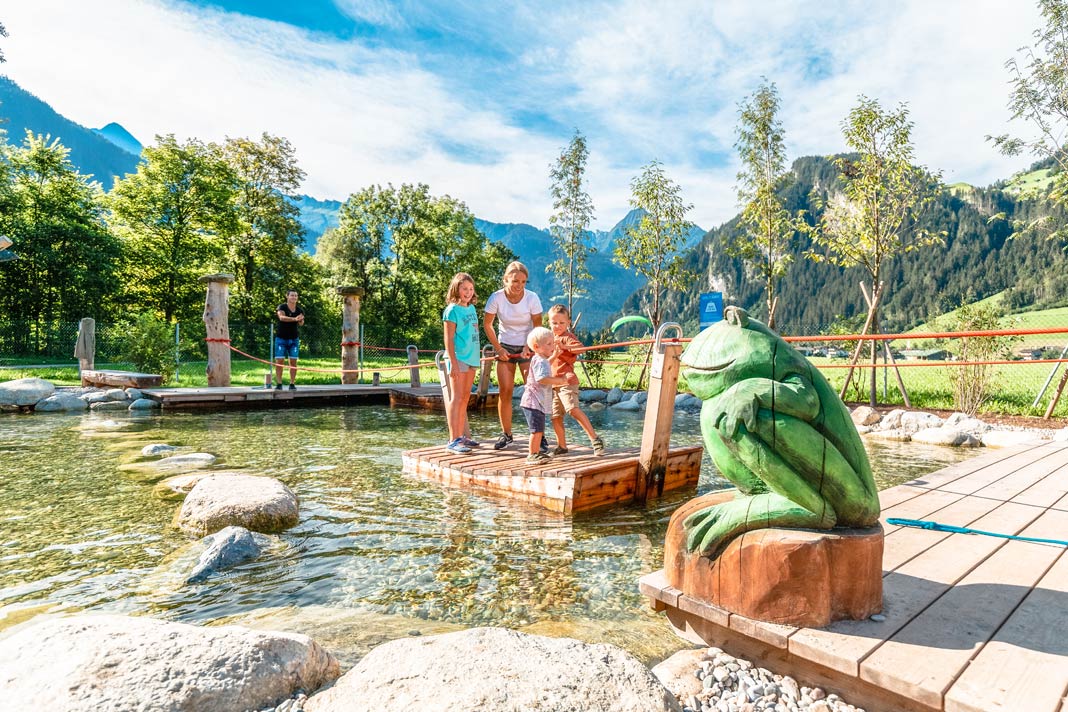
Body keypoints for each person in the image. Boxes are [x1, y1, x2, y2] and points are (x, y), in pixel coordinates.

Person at [483, 261, 543, 450]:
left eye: (524, 282)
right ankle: (507, 434)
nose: (519, 285)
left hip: (528, 345)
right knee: (505, 391)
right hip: (505, 346)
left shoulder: (532, 298)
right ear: (506, 279)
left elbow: (537, 326)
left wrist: (529, 345)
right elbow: (487, 325)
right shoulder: (496, 298)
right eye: (515, 280)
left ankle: (539, 435)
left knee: (532, 391)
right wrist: (498, 349)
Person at [547, 304, 605, 456]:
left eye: (561, 323)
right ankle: (562, 446)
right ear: (549, 323)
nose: (557, 326)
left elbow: (581, 349)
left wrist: (564, 346)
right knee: (555, 416)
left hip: (567, 381)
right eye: (554, 323)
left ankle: (595, 439)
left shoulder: (568, 337)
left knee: (572, 409)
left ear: (568, 323)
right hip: (553, 384)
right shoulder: (550, 338)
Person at [520, 327, 576, 464]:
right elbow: (542, 378)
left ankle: (536, 452)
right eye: (549, 344)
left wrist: (554, 356)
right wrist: (560, 380)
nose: (553, 345)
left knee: (539, 429)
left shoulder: (540, 358)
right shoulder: (539, 360)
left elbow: (545, 366)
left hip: (535, 401)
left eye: (553, 342)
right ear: (536, 347)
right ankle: (532, 454)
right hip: (534, 402)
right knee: (536, 430)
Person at [442, 272, 482, 454]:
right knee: (456, 398)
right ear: (456, 289)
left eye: (471, 289)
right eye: (464, 288)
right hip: (458, 358)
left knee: (465, 398)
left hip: (472, 358)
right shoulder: (451, 310)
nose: (468, 292)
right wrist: (453, 363)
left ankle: (461, 436)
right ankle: (453, 439)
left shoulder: (471, 309)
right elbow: (448, 339)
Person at [275, 289, 304, 390]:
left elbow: (301, 323)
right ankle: (279, 383)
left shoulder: (299, 310)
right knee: (280, 361)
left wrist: (300, 320)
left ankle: (292, 384)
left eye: (296, 296)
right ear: (287, 296)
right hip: (281, 339)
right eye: (292, 295)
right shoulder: (282, 307)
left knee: (293, 362)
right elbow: (282, 318)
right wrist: (295, 319)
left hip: (294, 340)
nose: (294, 297)